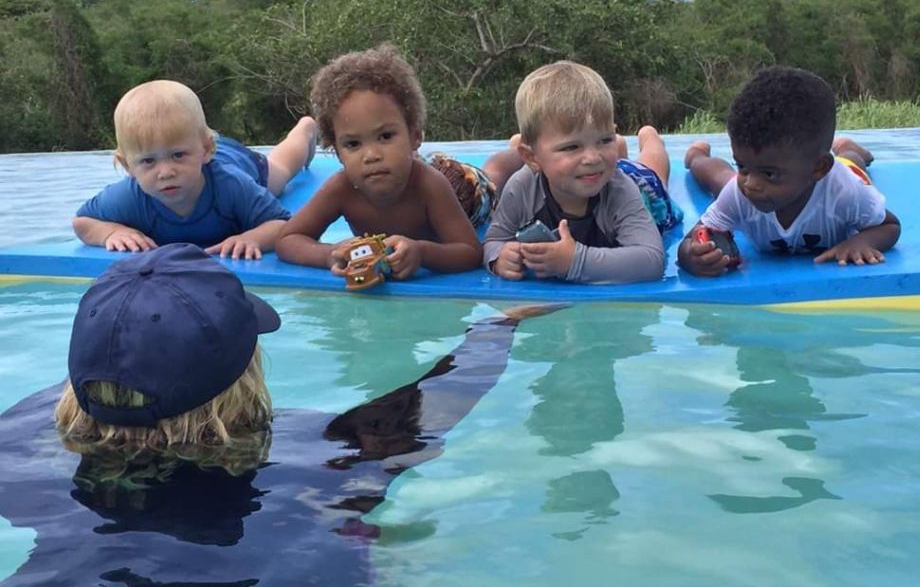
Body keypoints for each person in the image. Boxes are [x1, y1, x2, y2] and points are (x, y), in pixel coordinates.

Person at [0, 243, 559, 585]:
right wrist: (498, 326)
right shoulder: (321, 453)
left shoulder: (21, 445)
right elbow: (441, 399)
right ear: (245, 377)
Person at [275, 44, 484, 280]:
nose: (371, 155)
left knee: (474, 185)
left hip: (468, 193)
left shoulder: (429, 185)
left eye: (385, 137)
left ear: (415, 136)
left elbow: (471, 252)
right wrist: (331, 254)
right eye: (353, 144)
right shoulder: (341, 188)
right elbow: (287, 240)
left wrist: (423, 253)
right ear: (337, 152)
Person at [677, 65, 901, 277]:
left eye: (769, 174)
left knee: (849, 162)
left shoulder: (845, 192)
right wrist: (691, 256)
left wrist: (859, 243)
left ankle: (849, 148)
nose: (750, 184)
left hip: (846, 171)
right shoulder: (740, 192)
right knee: (722, 181)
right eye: (742, 166)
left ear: (818, 168)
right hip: (794, 171)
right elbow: (692, 239)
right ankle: (697, 156)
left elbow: (890, 226)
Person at [73, 79, 318, 259]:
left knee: (281, 172)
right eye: (148, 161)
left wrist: (251, 238)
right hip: (199, 146)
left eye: (177, 156)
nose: (166, 171)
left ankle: (304, 130)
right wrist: (111, 233)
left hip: (237, 161)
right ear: (128, 165)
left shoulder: (231, 185)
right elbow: (82, 222)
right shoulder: (128, 196)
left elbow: (283, 225)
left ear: (206, 149)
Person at [481, 60, 677, 283]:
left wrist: (575, 261)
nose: (592, 157)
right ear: (531, 158)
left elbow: (651, 260)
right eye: (571, 147)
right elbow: (494, 240)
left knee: (654, 170)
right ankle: (613, 145)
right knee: (604, 157)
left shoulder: (621, 191)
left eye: (605, 139)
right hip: (600, 170)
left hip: (643, 188)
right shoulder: (522, 188)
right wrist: (500, 258)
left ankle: (649, 136)